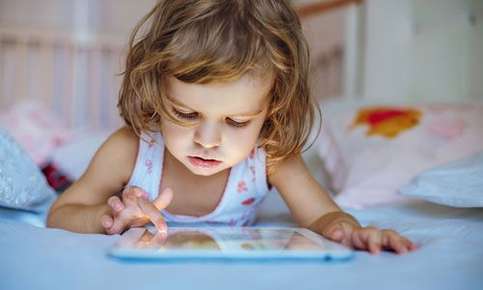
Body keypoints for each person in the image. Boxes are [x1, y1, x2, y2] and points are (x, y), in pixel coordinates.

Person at [47, 0, 416, 255]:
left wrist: (350, 231)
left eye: (237, 121)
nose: (207, 141)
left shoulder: (269, 157)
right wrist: (109, 218)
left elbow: (323, 216)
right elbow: (62, 213)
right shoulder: (130, 149)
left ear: (273, 108)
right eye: (186, 114)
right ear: (157, 90)